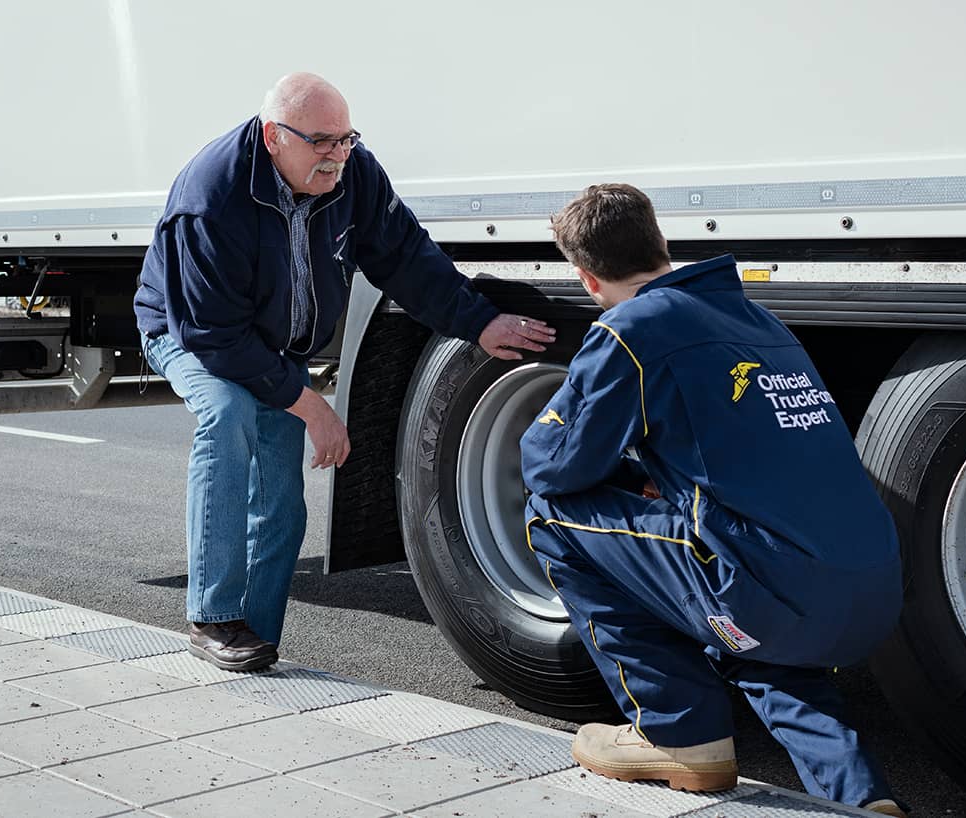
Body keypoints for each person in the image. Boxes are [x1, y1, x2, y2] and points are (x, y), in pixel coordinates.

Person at [134, 72, 554, 673]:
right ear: (274, 137)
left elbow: (405, 257)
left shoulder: (352, 172)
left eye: (346, 138)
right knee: (227, 415)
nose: (337, 154)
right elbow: (213, 335)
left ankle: (254, 636)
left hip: (276, 345)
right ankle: (213, 617)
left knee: (280, 493)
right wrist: (311, 405)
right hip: (188, 333)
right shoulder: (212, 195)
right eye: (322, 141)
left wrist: (477, 322)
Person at [520, 184, 906, 816]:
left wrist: (621, 470)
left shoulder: (632, 327)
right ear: (662, 243)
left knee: (552, 518)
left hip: (770, 594)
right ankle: (863, 801)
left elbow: (553, 466)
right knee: (763, 636)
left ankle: (679, 732)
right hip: (864, 594)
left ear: (587, 279)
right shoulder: (762, 322)